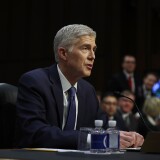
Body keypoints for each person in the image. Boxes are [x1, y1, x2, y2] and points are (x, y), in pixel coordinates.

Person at [14, 24, 144, 149]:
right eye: (85, 48)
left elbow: (103, 126)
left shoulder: (88, 91)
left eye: (94, 50)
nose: (92, 56)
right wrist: (91, 138)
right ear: (63, 53)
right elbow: (36, 133)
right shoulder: (35, 82)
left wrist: (127, 137)